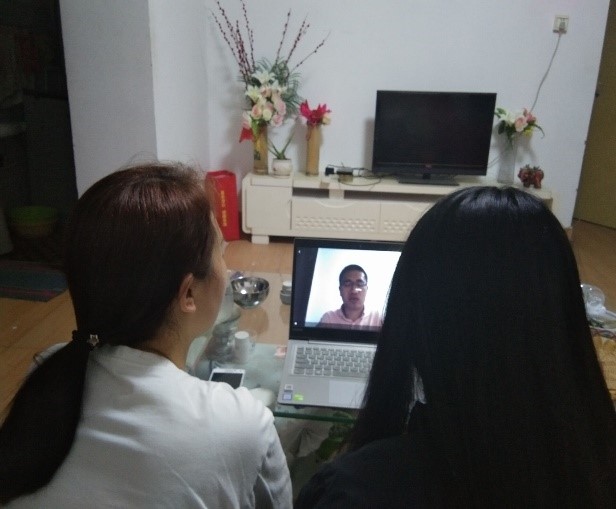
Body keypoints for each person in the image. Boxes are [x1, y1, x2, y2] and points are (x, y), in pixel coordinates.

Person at [296, 186, 616, 508]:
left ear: (413, 324)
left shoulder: (353, 488)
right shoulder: (595, 464)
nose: (353, 290)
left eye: (359, 283)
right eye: (347, 283)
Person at [0, 162, 292, 507]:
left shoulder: (49, 369)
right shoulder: (241, 424)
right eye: (221, 251)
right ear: (188, 294)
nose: (227, 271)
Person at [318, 265, 382, 328]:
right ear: (340, 290)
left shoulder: (378, 318)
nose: (354, 291)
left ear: (366, 289)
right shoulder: (328, 318)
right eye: (347, 284)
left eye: (360, 284)